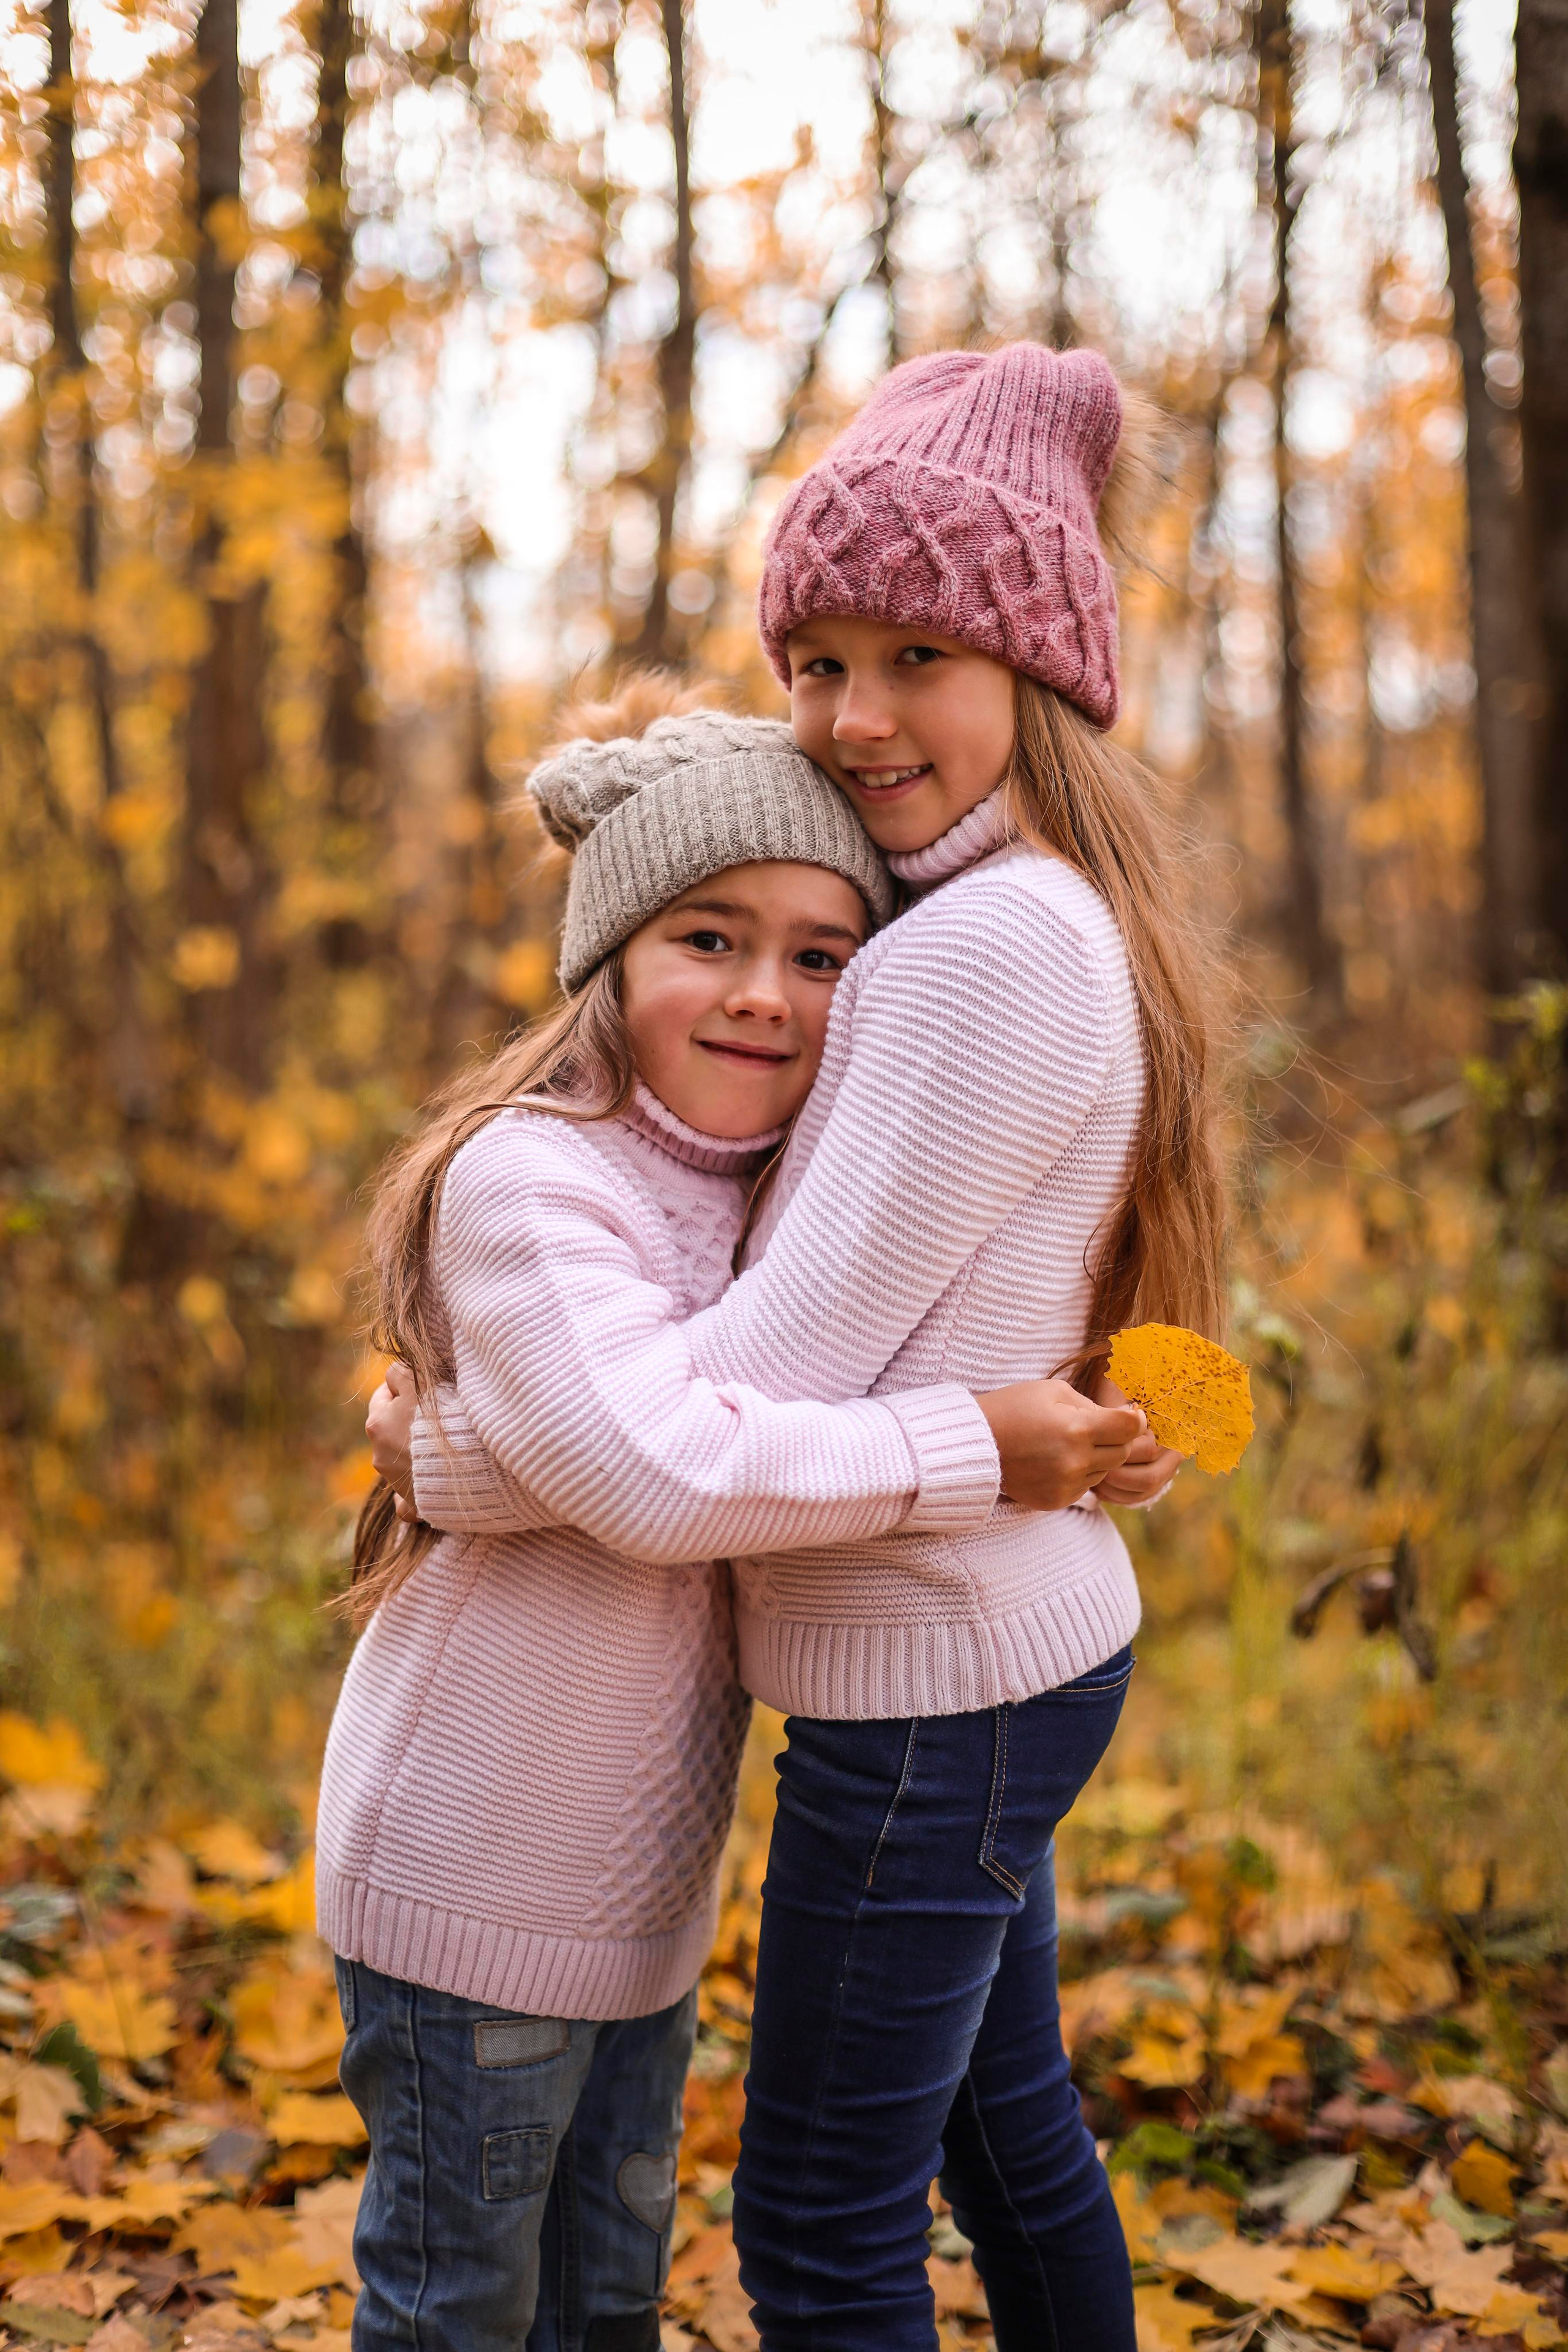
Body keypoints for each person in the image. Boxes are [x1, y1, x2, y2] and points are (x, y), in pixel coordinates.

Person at [374, 345, 1226, 2351]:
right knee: (1015, 2143)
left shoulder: (971, 954)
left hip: (933, 1664)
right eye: (817, 656)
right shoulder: (980, 917)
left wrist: (466, 1450)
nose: (853, 715)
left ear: (1040, 667)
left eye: (917, 653)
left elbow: (754, 1389)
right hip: (987, 1641)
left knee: (826, 2239)